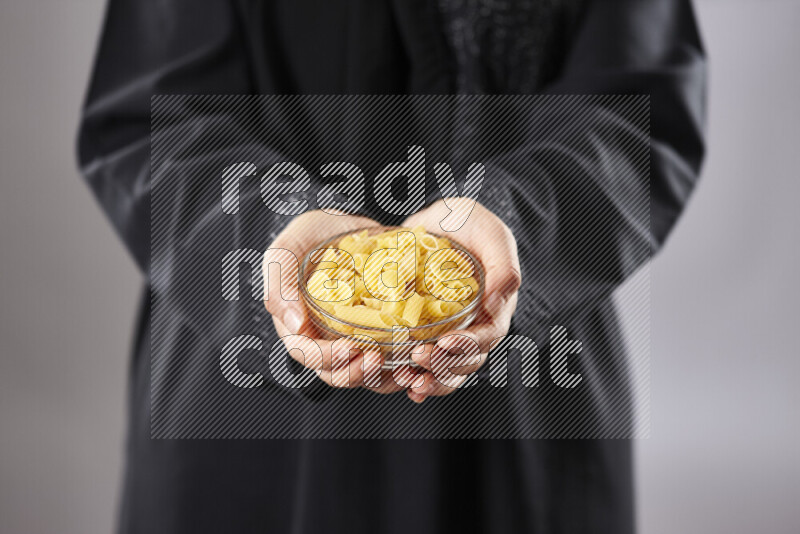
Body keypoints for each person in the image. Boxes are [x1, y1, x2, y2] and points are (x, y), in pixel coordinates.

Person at [78, 0, 705, 532]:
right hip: (247, 397)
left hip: (525, 377)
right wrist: (270, 239)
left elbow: (640, 105)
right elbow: (150, 120)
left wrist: (516, 224)